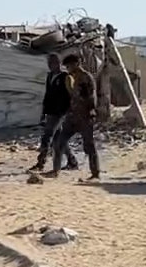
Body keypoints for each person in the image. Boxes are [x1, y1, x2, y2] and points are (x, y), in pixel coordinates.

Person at [46, 53, 101, 181]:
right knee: (59, 142)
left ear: (76, 64)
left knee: (89, 145)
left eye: (69, 66)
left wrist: (91, 112)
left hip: (84, 116)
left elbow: (90, 97)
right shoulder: (71, 78)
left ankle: (95, 173)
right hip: (72, 116)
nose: (68, 69)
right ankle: (55, 170)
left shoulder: (86, 78)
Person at [30, 53, 79, 173]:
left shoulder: (65, 77)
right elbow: (47, 94)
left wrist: (68, 111)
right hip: (51, 111)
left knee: (47, 136)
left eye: (52, 63)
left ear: (58, 63)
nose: (50, 65)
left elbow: (71, 95)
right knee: (58, 138)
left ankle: (41, 162)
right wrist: (43, 111)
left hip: (60, 112)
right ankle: (72, 161)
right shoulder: (50, 76)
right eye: (49, 63)